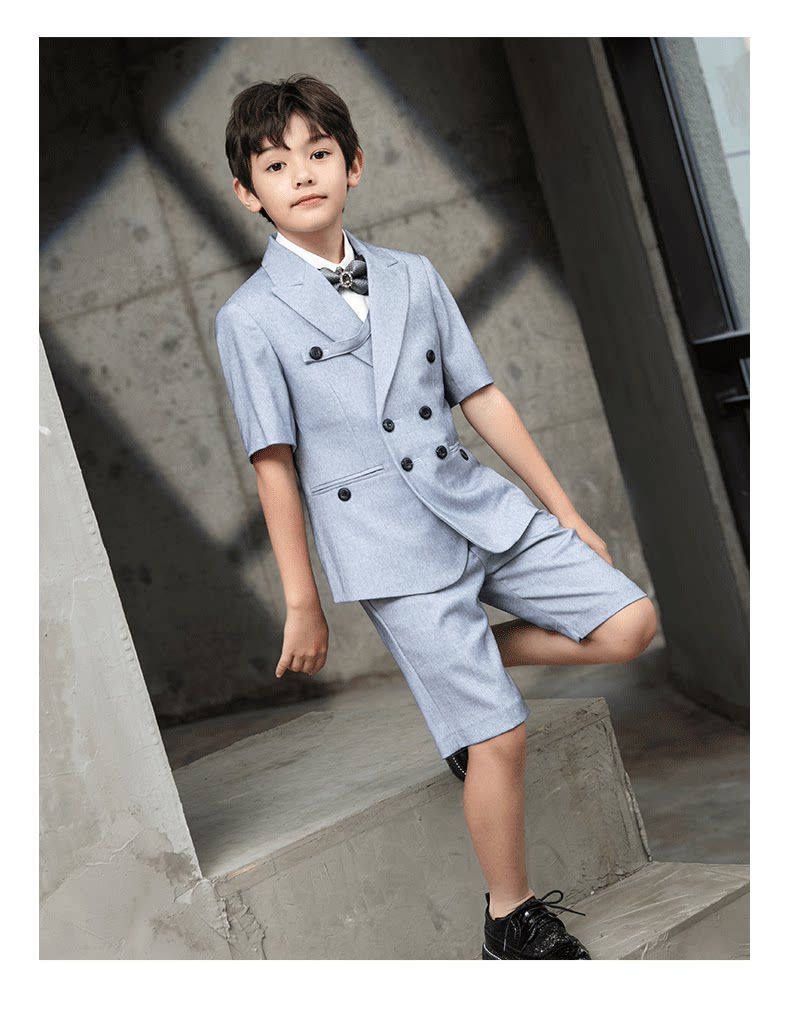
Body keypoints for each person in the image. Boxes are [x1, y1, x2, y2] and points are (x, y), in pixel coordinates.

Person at [216, 72, 657, 960]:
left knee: (632, 622)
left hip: (475, 507)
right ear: (247, 191)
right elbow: (275, 463)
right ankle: (509, 917)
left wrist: (563, 509)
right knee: (501, 732)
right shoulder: (249, 317)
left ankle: (467, 664)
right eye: (277, 163)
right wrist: (301, 599)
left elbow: (480, 395)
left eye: (318, 153)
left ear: (353, 165)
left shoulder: (412, 275)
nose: (302, 174)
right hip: (388, 547)